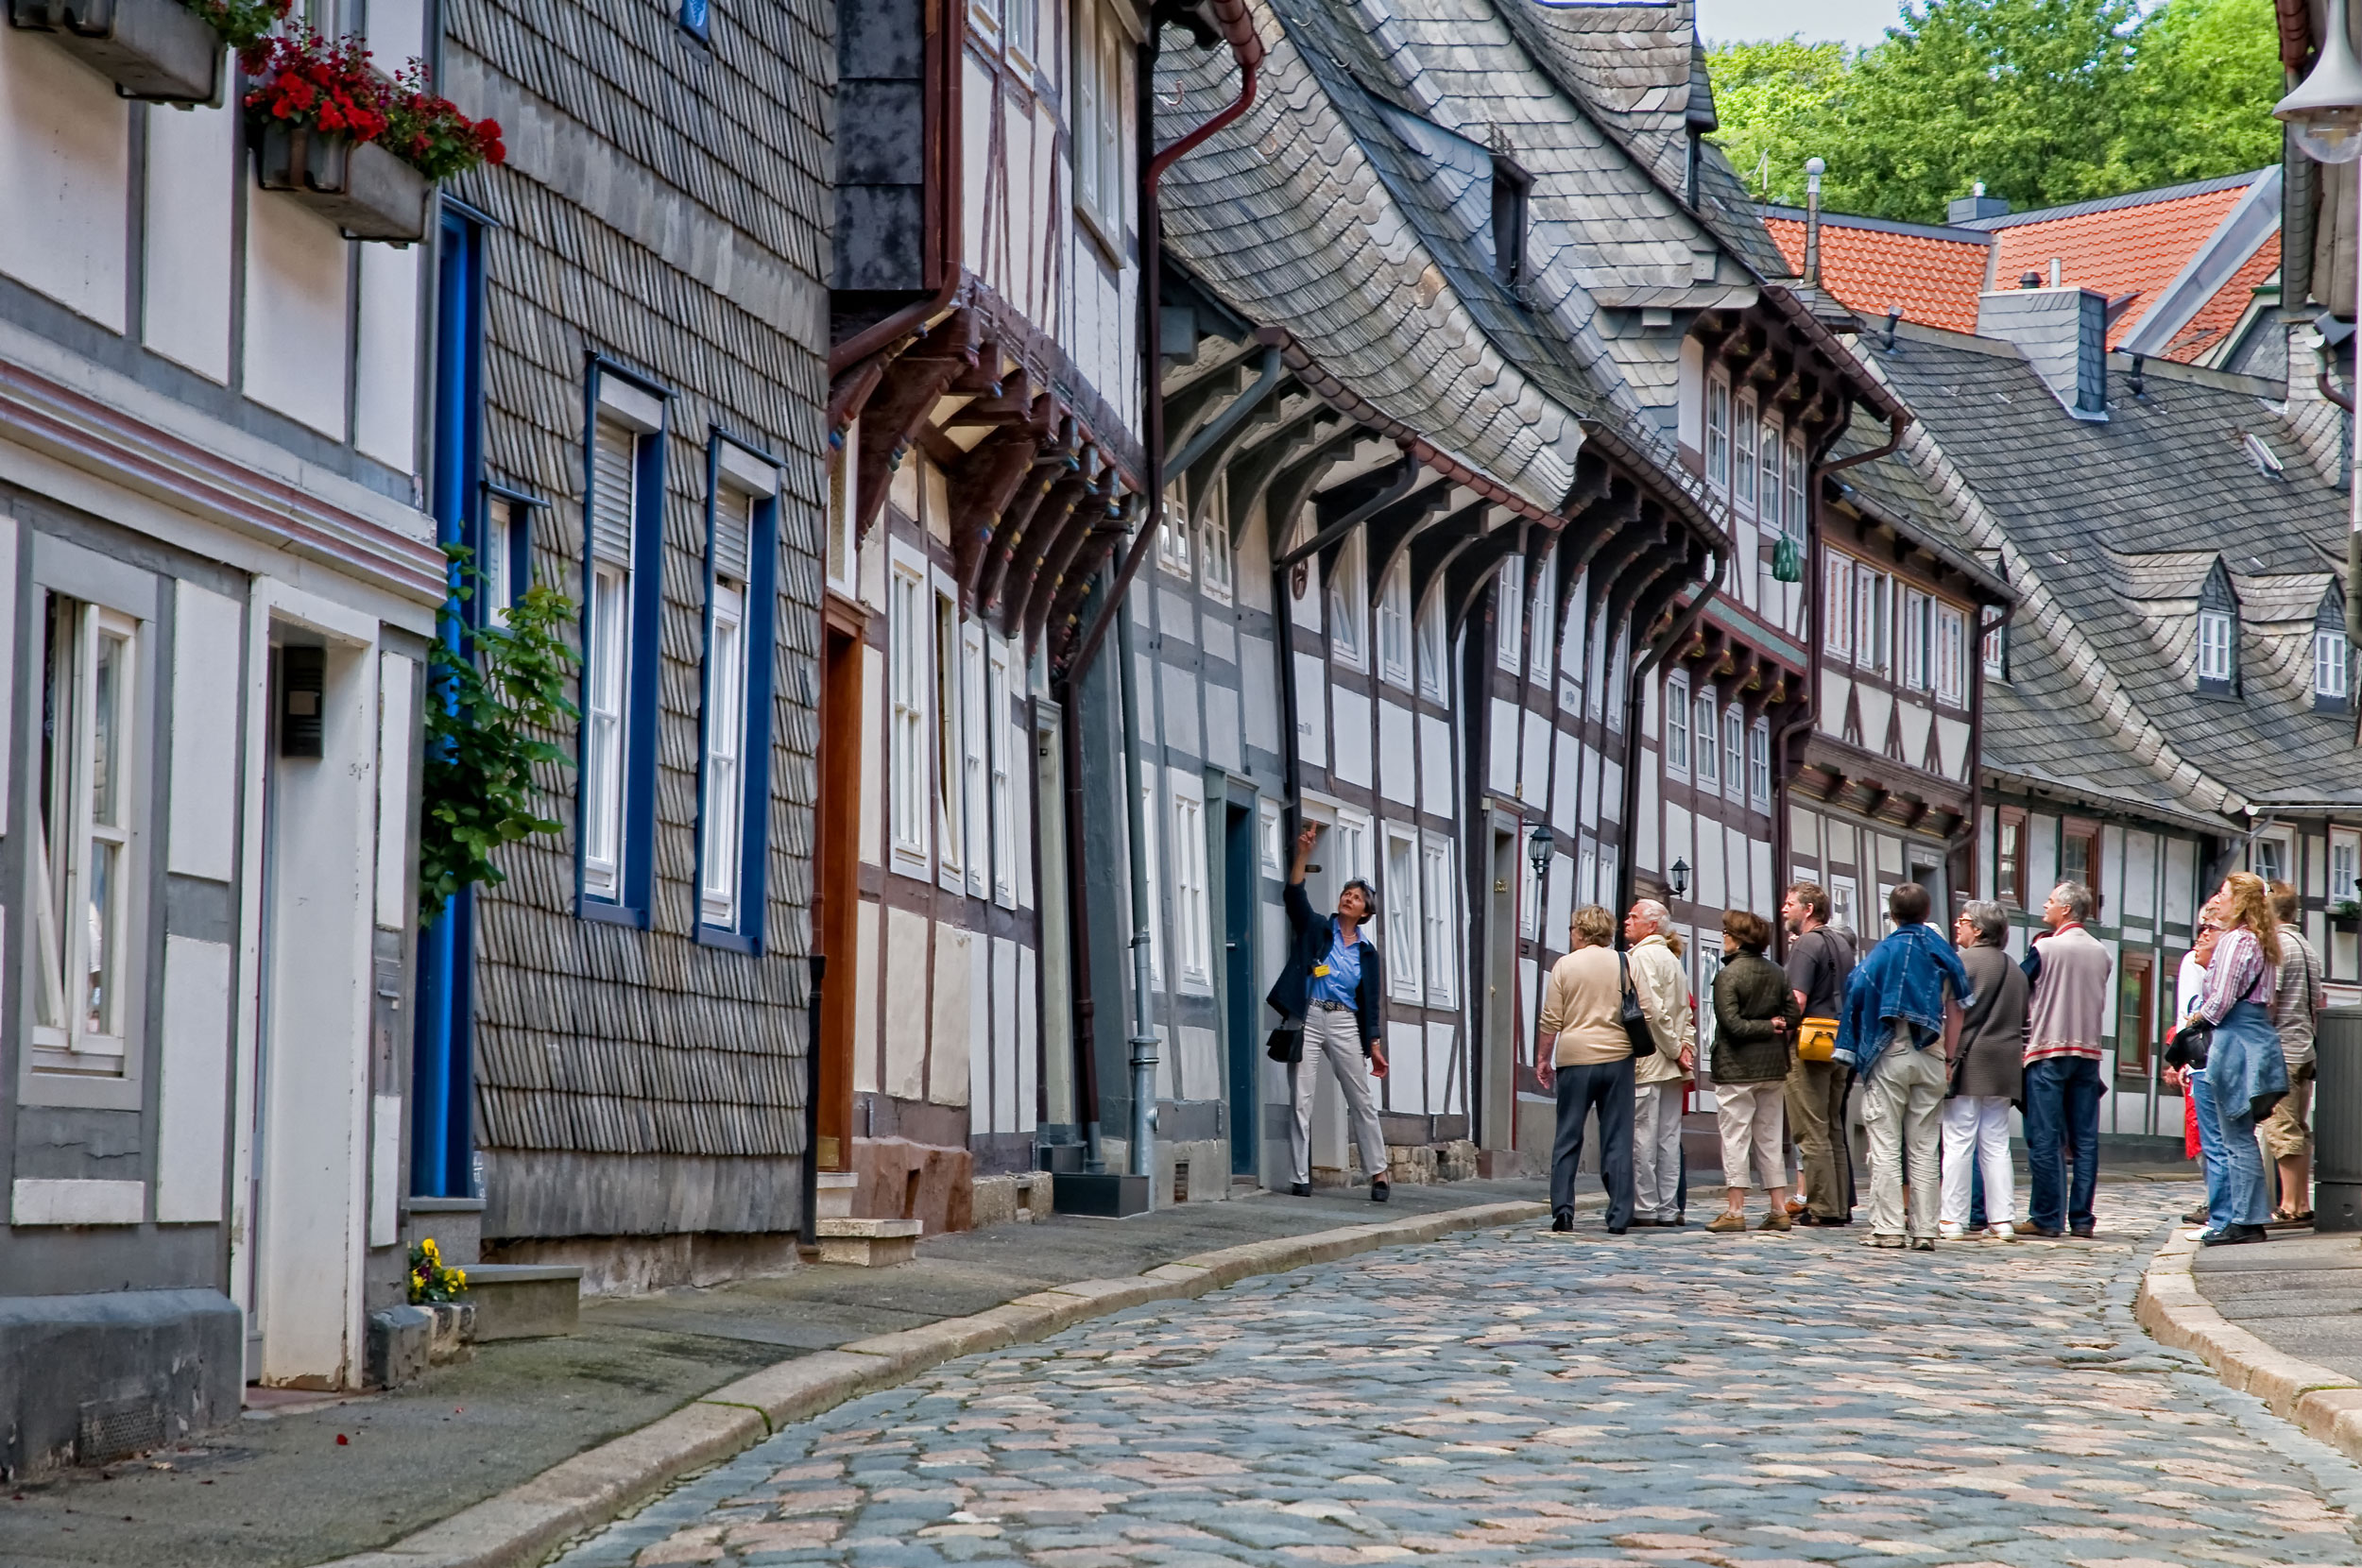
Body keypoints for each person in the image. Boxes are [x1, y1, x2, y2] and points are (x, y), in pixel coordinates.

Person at [1833, 882, 1972, 1251]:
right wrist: (1950, 1058)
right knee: (1926, 1147)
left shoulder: (1883, 953)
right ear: (1927, 914)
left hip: (1891, 1051)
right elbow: (1958, 1008)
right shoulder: (1945, 953)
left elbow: (1856, 990)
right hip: (1933, 1051)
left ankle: (1889, 1227)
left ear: (1892, 915)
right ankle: (1926, 1229)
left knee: (1886, 1145)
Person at [1270, 823, 1391, 1202]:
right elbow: (1294, 894)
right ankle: (1300, 1176)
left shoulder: (1367, 954)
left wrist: (1373, 1042)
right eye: (1345, 893)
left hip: (1343, 1021)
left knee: (1360, 1098)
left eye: (1355, 897)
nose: (1347, 898)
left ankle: (1379, 1173)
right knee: (1301, 1097)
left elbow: (1370, 1001)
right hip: (1309, 1015)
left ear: (1366, 911)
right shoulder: (1319, 929)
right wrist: (1303, 855)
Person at [2182, 873, 2292, 1246]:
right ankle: (2246, 1216)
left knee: (2233, 1136)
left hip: (2234, 1041)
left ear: (2240, 902)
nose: (2219, 899)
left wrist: (2193, 1021)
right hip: (2257, 1036)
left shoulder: (2236, 942)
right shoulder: (2263, 941)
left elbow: (2221, 1001)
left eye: (2225, 894)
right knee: (2240, 1132)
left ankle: (2244, 1219)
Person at [1536, 904, 1637, 1234]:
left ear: (1580, 931)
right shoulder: (1625, 962)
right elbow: (1642, 1007)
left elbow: (1551, 1019)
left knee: (1567, 1135)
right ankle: (1620, 1215)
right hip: (1617, 1057)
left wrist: (1542, 1059)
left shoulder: (1565, 966)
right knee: (1617, 1138)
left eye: (1571, 929)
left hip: (1576, 1058)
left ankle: (1563, 1211)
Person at [2021, 881, 2112, 1238]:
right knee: (2086, 1140)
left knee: (2046, 1137)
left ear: (2067, 910)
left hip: (2048, 1048)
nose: (2045, 905)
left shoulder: (2045, 948)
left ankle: (2047, 1216)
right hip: (2088, 1052)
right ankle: (2083, 1219)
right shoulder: (2101, 952)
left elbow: (2020, 986)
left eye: (2051, 901)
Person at [1707, 910, 1800, 1232]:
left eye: (1726, 933)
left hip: (1736, 1068)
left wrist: (1762, 1025)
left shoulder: (1728, 976)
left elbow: (1731, 1025)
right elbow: (1792, 1014)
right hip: (1773, 1066)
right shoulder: (1777, 972)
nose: (1723, 938)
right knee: (1770, 1138)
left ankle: (1735, 1210)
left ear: (1736, 938)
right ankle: (1778, 1207)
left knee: (1735, 1138)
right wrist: (1773, 1025)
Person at [1943, 901, 2027, 1241]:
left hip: (1968, 1059)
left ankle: (1952, 1219)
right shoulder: (2016, 969)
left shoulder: (1961, 963)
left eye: (1963, 921)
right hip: (2005, 1064)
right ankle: (2002, 1219)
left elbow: (1950, 1015)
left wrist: (1947, 1060)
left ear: (1977, 929)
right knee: (1996, 1142)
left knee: (1959, 1140)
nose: (1957, 926)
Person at [1781, 882, 1857, 1226]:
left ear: (1808, 910)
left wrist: (1779, 1027)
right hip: (1841, 1039)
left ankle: (1823, 1206)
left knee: (1810, 1128)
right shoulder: (1841, 943)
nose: (1784, 909)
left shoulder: (1807, 944)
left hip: (1811, 1041)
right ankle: (1839, 1204)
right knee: (1833, 1127)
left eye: (1790, 903)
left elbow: (1796, 998)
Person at [1624, 900, 1695, 1226]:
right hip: (1673, 1065)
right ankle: (1668, 1208)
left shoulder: (1641, 957)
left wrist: (1672, 1048)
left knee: (1644, 1138)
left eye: (1634, 917)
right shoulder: (1672, 958)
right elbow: (1687, 1013)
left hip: (1651, 1060)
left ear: (1651, 925)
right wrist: (1686, 1049)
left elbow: (1652, 1013)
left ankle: (1646, 1206)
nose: (1627, 921)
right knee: (1667, 1139)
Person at [2263, 880, 2325, 1224]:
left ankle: (2289, 1205)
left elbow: (2270, 998)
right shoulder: (2309, 948)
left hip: (2281, 1047)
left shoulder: (2278, 947)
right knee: (2299, 1126)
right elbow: (2317, 1001)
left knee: (2282, 1127)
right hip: (2305, 1046)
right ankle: (2301, 1199)